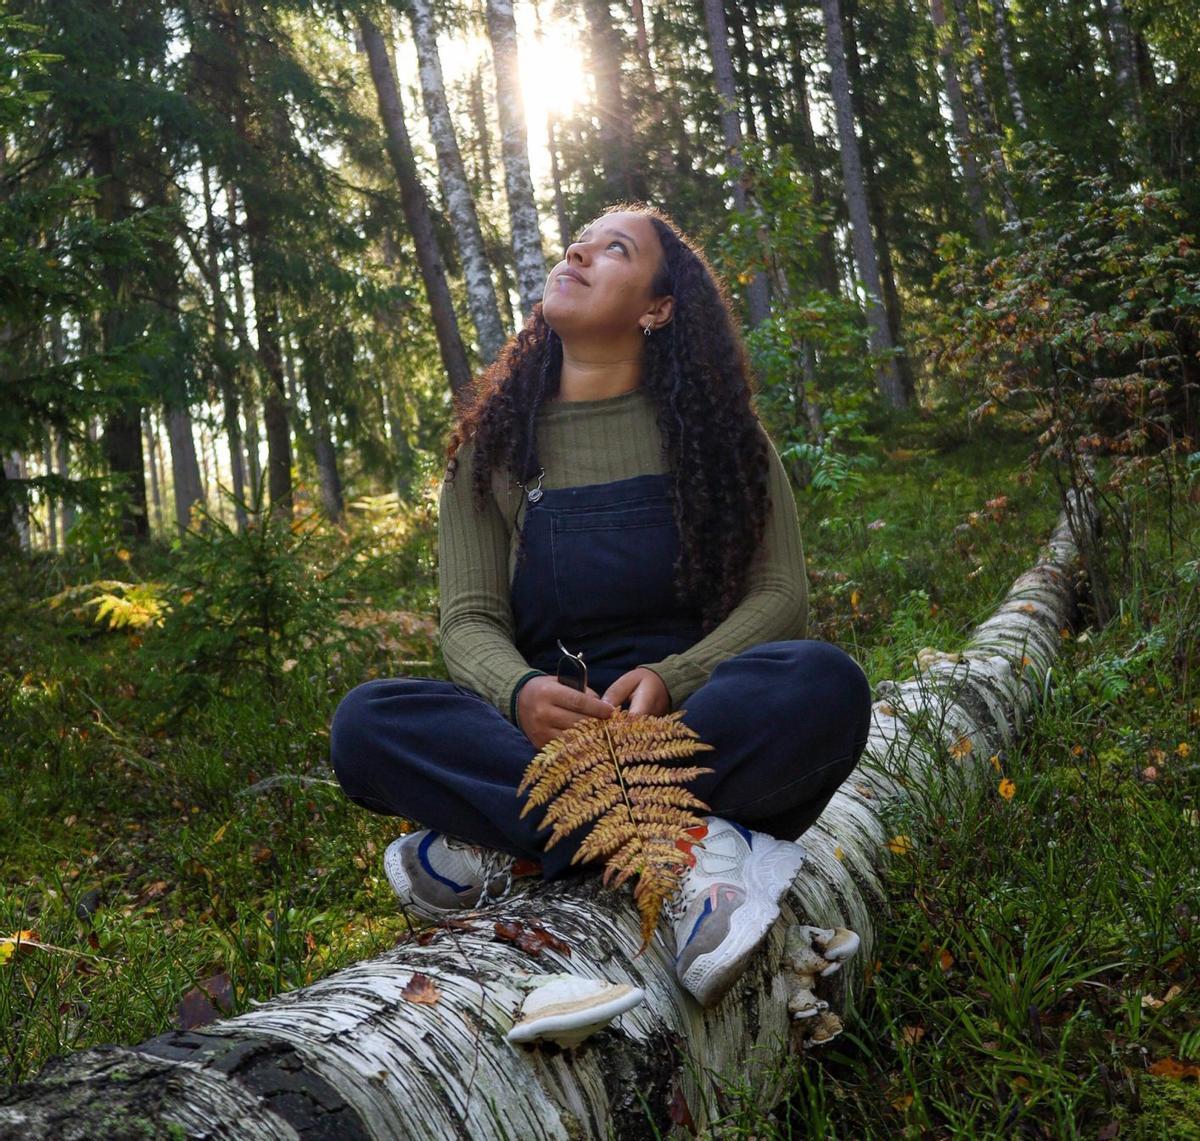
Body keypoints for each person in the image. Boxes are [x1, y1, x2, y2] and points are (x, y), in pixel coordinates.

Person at [330, 204, 872, 1022]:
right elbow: (467, 620)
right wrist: (519, 692)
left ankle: (521, 846)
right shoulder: (492, 451)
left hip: (696, 729)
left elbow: (780, 596)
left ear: (659, 307)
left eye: (614, 248)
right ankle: (696, 847)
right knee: (365, 723)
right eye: (578, 240)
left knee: (825, 683)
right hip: (545, 744)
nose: (578, 252)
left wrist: (676, 675)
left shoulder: (726, 437)